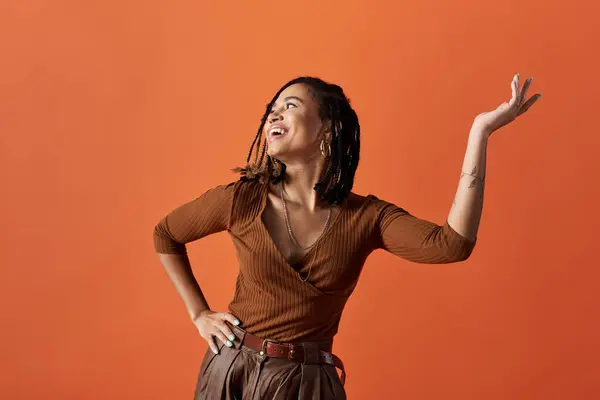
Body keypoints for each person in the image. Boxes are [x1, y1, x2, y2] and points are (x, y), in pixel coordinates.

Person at [153, 75, 540, 399]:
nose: (274, 111)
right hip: (231, 372)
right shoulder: (241, 198)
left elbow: (452, 245)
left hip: (307, 385)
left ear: (327, 129)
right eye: (272, 106)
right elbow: (166, 234)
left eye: (290, 105)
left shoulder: (367, 218)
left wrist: (480, 132)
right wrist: (199, 314)